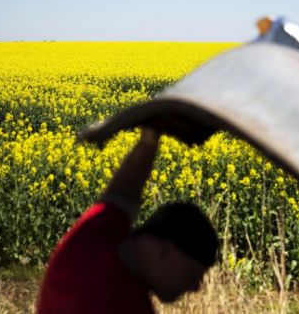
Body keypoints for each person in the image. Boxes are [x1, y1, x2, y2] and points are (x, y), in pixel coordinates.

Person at [37, 128, 219, 313]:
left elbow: (122, 193)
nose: (196, 287)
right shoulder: (106, 301)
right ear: (164, 251)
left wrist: (150, 138)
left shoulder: (92, 238)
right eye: (192, 275)